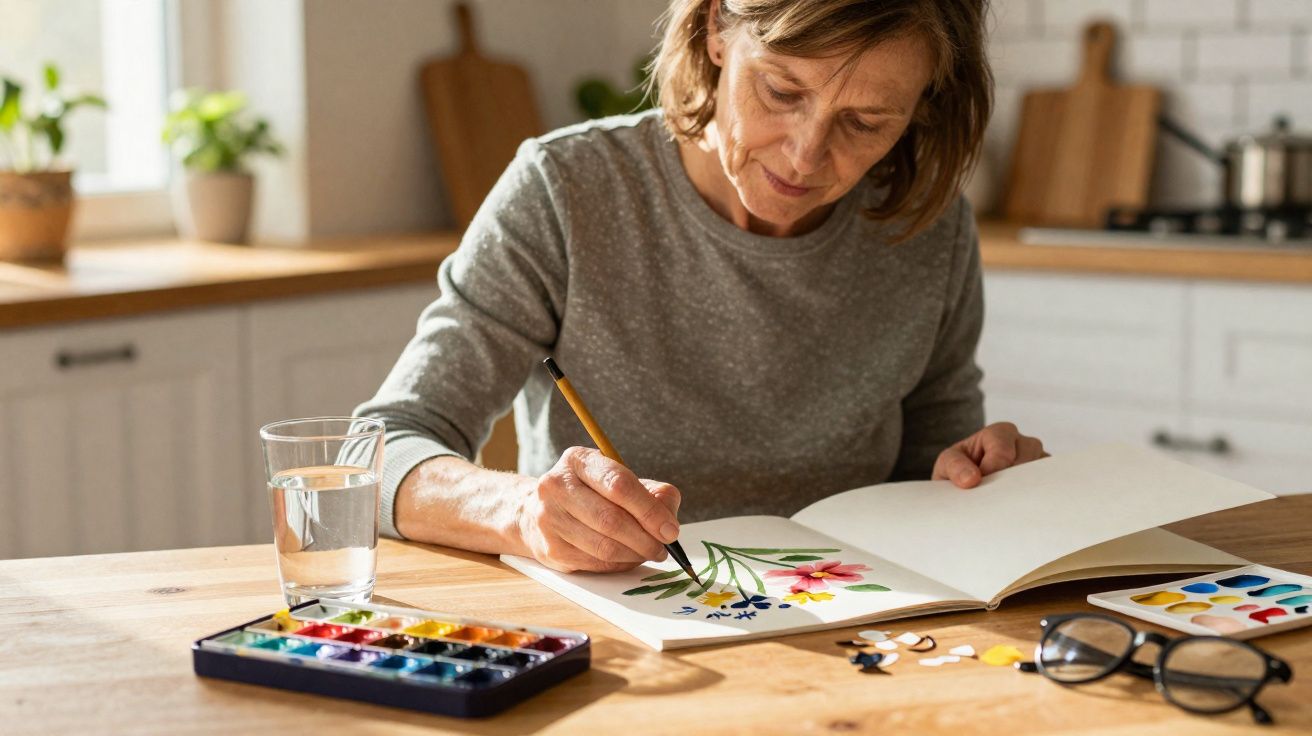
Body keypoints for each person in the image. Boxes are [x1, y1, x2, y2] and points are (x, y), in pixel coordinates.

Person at [355, 0, 1046, 575]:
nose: (806, 155)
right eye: (781, 91)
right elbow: (377, 449)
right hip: (625, 643)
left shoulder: (928, 223)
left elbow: (936, 456)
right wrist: (519, 512)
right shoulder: (567, 193)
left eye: (866, 122)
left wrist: (979, 475)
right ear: (717, 29)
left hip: (857, 636)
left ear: (924, 104)